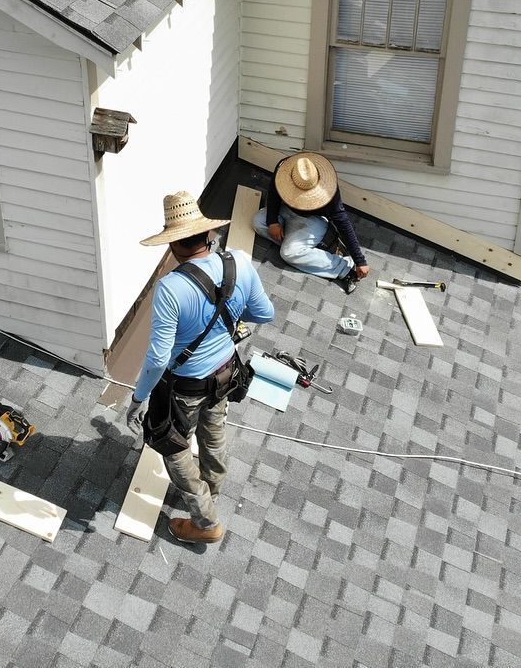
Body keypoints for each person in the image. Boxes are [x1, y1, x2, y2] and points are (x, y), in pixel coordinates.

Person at [125, 190, 274, 545]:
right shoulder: (239, 263)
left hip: (186, 387)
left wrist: (139, 398)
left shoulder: (171, 289)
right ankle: (213, 488)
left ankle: (206, 522)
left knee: (173, 446)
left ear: (173, 243)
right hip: (226, 373)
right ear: (207, 234)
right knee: (214, 429)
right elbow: (265, 313)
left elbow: (158, 359)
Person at [252, 152, 369, 293]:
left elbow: (344, 224)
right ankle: (304, 250)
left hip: (312, 221)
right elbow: (273, 195)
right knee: (258, 222)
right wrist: (272, 223)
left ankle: (344, 268)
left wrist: (359, 261)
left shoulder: (329, 194)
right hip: (285, 210)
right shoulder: (284, 168)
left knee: (288, 253)